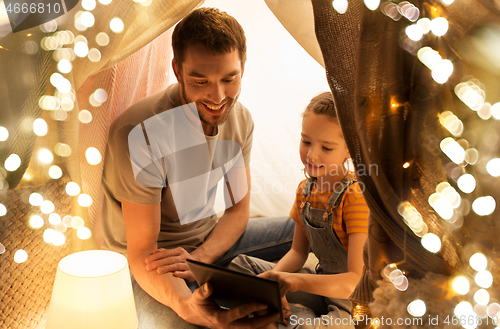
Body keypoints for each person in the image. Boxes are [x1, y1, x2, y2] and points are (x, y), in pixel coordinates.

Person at [100, 7, 294, 329]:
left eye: (229, 79)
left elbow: (237, 212)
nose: (217, 97)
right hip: (152, 266)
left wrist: (200, 259)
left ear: (242, 68)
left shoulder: (241, 118)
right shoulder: (141, 133)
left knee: (312, 228)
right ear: (178, 70)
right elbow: (141, 253)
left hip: (204, 248)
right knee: (200, 321)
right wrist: (187, 305)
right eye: (200, 81)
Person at [229, 92, 369, 328]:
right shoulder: (305, 190)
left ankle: (293, 317)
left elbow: (354, 282)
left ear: (349, 150)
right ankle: (293, 313)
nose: (312, 154)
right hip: (318, 284)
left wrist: (293, 282)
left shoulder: (355, 198)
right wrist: (274, 283)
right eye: (306, 142)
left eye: (326, 147)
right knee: (241, 267)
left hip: (350, 302)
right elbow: (297, 253)